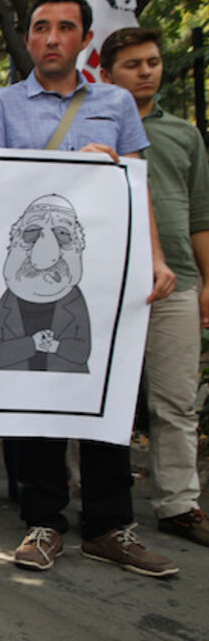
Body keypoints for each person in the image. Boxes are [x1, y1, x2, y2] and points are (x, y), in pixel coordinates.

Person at [0, 0, 179, 577]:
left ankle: (111, 527)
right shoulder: (0, 108)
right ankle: (43, 522)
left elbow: (138, 193)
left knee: (103, 393)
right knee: (36, 395)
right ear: (29, 37)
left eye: (65, 27)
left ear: (85, 39)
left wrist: (155, 259)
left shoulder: (115, 104)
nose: (51, 38)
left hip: (104, 277)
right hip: (28, 282)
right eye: (41, 27)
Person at [101, 27, 209, 546]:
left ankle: (179, 503)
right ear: (106, 75)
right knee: (101, 398)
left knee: (175, 402)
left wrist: (206, 280)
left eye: (153, 62)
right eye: (132, 65)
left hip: (178, 283)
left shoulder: (186, 135)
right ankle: (93, 496)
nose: (146, 72)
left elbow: (200, 215)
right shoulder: (96, 130)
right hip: (109, 285)